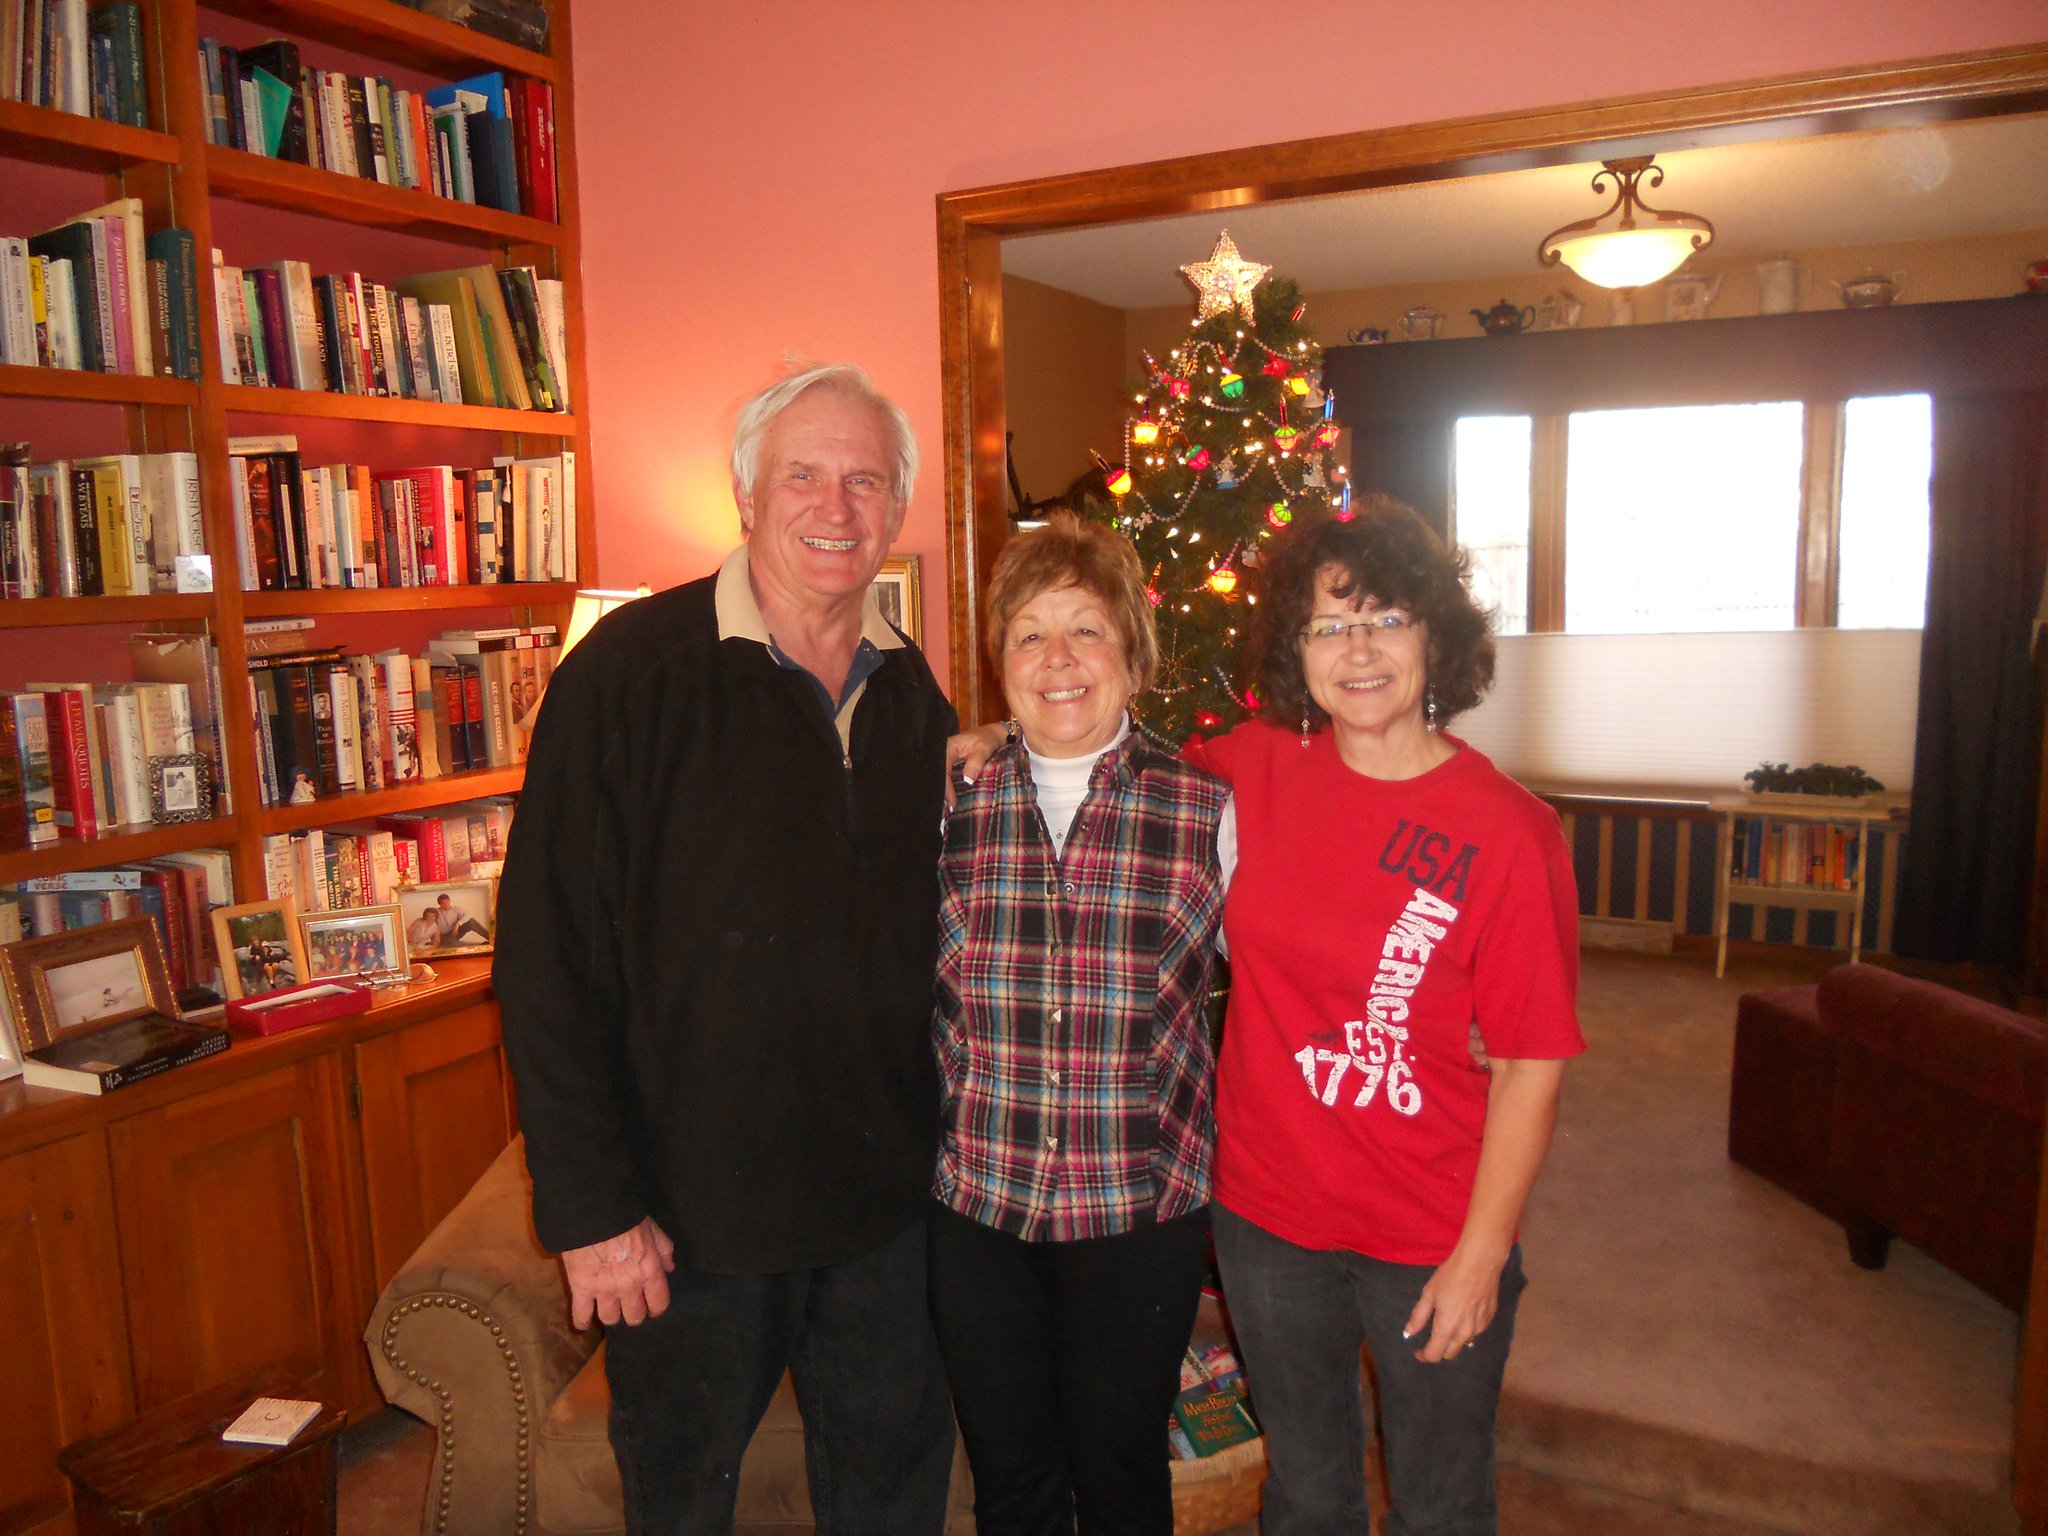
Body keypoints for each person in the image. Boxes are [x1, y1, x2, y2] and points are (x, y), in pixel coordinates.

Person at [495, 363, 959, 1536]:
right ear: (746, 491)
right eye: (802, 474)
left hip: (884, 1214)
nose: (834, 508)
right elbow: (545, 958)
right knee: (682, 1501)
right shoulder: (626, 677)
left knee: (890, 1499)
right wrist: (592, 1213)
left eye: (864, 480)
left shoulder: (913, 698)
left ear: (895, 507)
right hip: (686, 1219)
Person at [1185, 500, 1584, 1536]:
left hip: (1430, 1225)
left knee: (1440, 1505)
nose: (1356, 649)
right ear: (1295, 650)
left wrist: (1482, 1254)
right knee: (1306, 1493)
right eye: (1327, 625)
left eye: (1387, 618)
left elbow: (1531, 1061)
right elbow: (1099, 755)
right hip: (1268, 1218)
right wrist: (992, 733)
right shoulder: (1252, 766)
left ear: (1433, 639)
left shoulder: (1507, 834)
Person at [930, 514, 1230, 1536]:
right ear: (1000, 664)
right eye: (1028, 634)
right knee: (1009, 1485)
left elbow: (1293, 988)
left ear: (1132, 656)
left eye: (1086, 630)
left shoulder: (1206, 814)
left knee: (1118, 1479)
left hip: (1137, 1212)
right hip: (978, 1208)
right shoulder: (942, 803)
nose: (1057, 660)